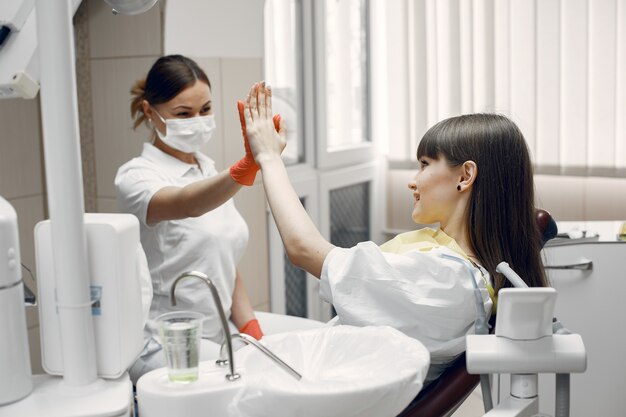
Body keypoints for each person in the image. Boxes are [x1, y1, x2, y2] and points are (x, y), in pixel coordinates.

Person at [240, 82, 549, 385]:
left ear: (465, 176)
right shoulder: (445, 261)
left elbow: (303, 249)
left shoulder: (445, 280)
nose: (413, 182)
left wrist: (269, 157)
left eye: (425, 165)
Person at [115, 56, 278, 383]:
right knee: (262, 385)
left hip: (216, 335)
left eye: (205, 109)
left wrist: (252, 329)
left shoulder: (207, 168)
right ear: (150, 112)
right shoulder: (136, 177)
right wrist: (248, 165)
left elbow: (223, 259)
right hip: (165, 343)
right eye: (183, 114)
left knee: (288, 361)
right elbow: (186, 203)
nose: (198, 120)